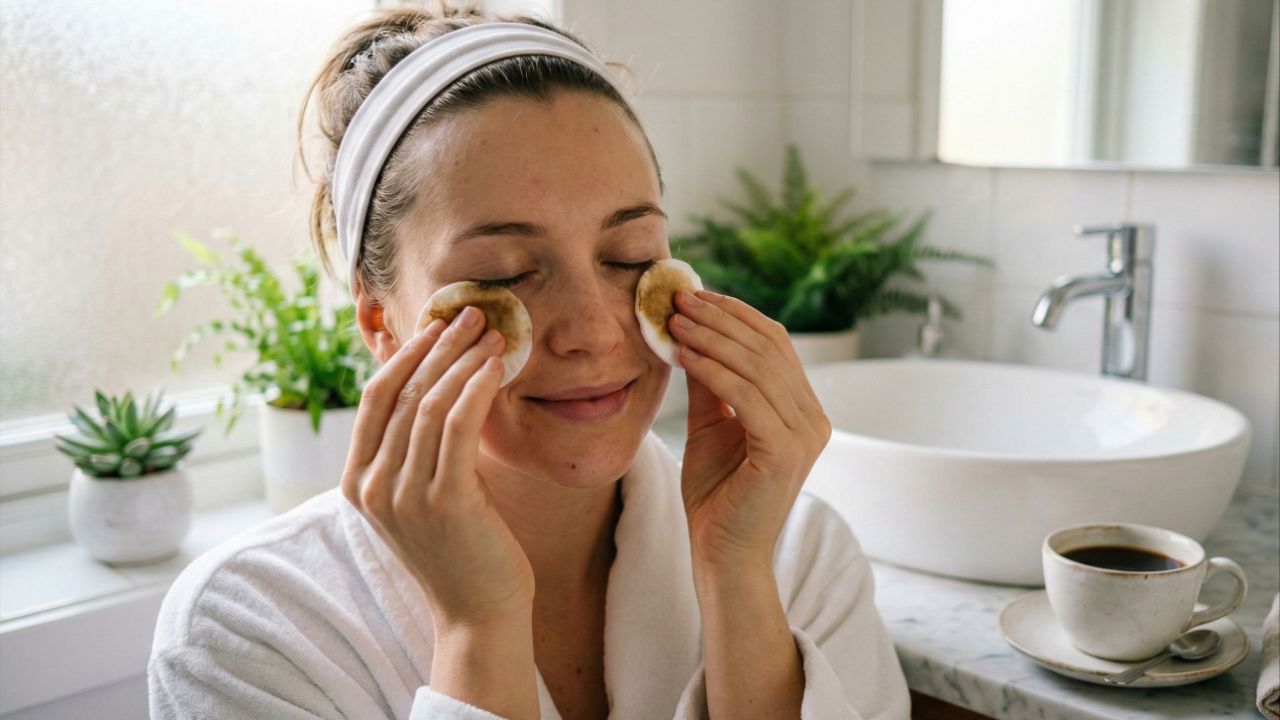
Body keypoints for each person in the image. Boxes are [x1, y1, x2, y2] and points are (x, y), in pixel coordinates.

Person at [148, 3, 910, 719]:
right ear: (382, 322)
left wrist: (739, 579)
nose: (594, 332)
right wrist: (478, 627)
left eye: (628, 255)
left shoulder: (794, 553)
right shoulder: (249, 627)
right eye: (507, 273)